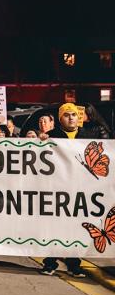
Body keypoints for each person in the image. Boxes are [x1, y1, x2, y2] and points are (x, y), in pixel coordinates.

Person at [39, 103, 105, 278]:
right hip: (58, 190)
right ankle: (50, 263)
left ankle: (74, 265)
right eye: (67, 115)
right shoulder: (52, 136)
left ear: (79, 117)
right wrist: (40, 142)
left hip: (81, 191)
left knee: (77, 229)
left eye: (74, 115)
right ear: (60, 118)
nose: (71, 118)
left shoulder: (88, 136)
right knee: (56, 228)